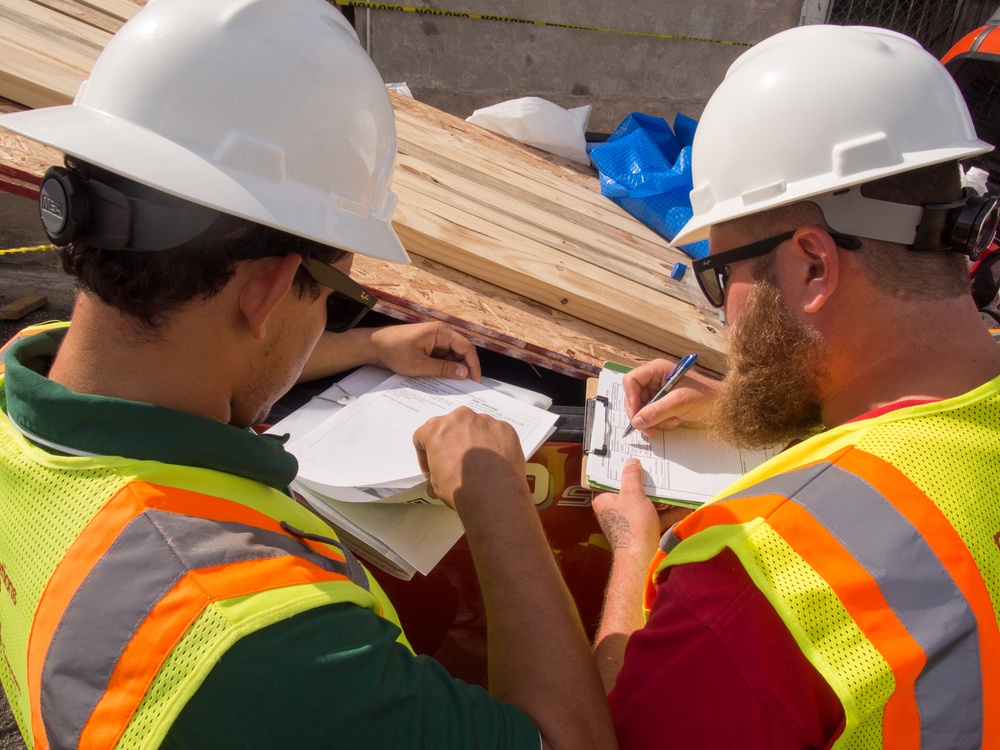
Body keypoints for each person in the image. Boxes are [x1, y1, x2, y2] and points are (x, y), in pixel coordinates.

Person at [0, 1, 616, 748]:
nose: (335, 318)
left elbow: (176, 348)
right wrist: (495, 499)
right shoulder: (256, 641)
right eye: (339, 298)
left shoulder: (27, 384)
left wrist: (366, 348)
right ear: (265, 291)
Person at [591, 24, 1000, 749]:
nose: (721, 315)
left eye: (722, 276)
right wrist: (752, 404)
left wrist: (633, 556)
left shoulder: (754, 578)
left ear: (812, 264)